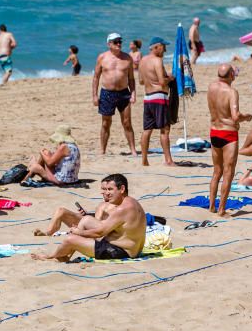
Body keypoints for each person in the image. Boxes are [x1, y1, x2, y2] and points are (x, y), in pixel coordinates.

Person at [31, 174, 146, 261]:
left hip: (120, 252)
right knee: (86, 220)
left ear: (122, 189)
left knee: (69, 239)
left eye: (110, 189)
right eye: (105, 190)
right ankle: (66, 255)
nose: (107, 193)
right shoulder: (131, 202)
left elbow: (99, 233)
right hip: (127, 247)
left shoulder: (122, 209)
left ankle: (52, 257)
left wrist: (78, 232)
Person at [207, 64, 252, 216]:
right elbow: (235, 116)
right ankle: (221, 210)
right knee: (228, 172)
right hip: (228, 134)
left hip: (214, 132)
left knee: (216, 172)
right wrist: (247, 117)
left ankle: (212, 206)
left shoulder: (211, 87)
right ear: (231, 75)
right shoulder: (232, 92)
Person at [92, 33, 137, 156]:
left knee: (127, 123)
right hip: (107, 93)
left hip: (124, 93)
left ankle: (133, 150)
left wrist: (133, 93)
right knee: (106, 123)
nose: (119, 44)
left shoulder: (127, 58)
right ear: (109, 44)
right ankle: (102, 150)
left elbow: (131, 78)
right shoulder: (102, 57)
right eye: (116, 42)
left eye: (120, 41)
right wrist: (95, 96)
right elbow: (96, 77)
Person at [139, 37, 178, 167]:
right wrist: (170, 78)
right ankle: (168, 160)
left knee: (147, 130)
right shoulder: (157, 60)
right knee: (165, 130)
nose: (165, 49)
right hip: (159, 97)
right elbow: (162, 82)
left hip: (148, 97)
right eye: (163, 47)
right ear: (156, 47)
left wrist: (152, 81)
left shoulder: (142, 61)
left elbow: (140, 81)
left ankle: (144, 159)